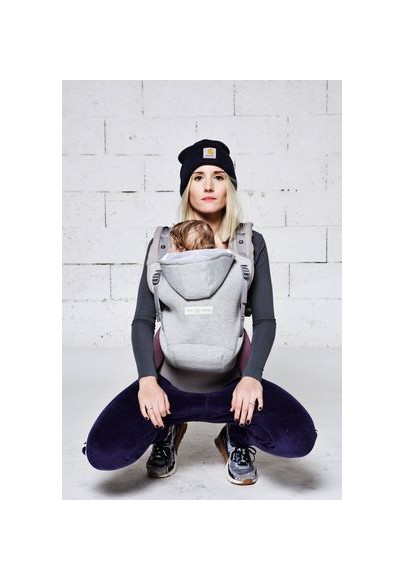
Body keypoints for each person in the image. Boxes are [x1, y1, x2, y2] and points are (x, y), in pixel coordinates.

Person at [83, 139, 317, 486]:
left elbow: (265, 320)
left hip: (232, 386)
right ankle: (168, 428)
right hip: (169, 385)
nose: (208, 186)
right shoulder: (162, 245)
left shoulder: (249, 244)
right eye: (198, 177)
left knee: (298, 438)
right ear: (187, 189)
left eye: (218, 176)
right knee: (103, 452)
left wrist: (251, 378)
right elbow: (143, 320)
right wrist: (147, 381)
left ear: (229, 187)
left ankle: (235, 435)